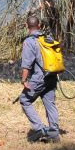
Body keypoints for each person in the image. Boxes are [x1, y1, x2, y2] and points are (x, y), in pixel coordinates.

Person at [19, 15, 60, 143]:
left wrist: (24, 80)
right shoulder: (47, 38)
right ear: (39, 26)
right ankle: (54, 133)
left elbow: (26, 65)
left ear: (27, 26)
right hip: (52, 75)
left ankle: (39, 129)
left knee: (24, 99)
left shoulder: (29, 42)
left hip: (39, 78)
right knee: (50, 103)